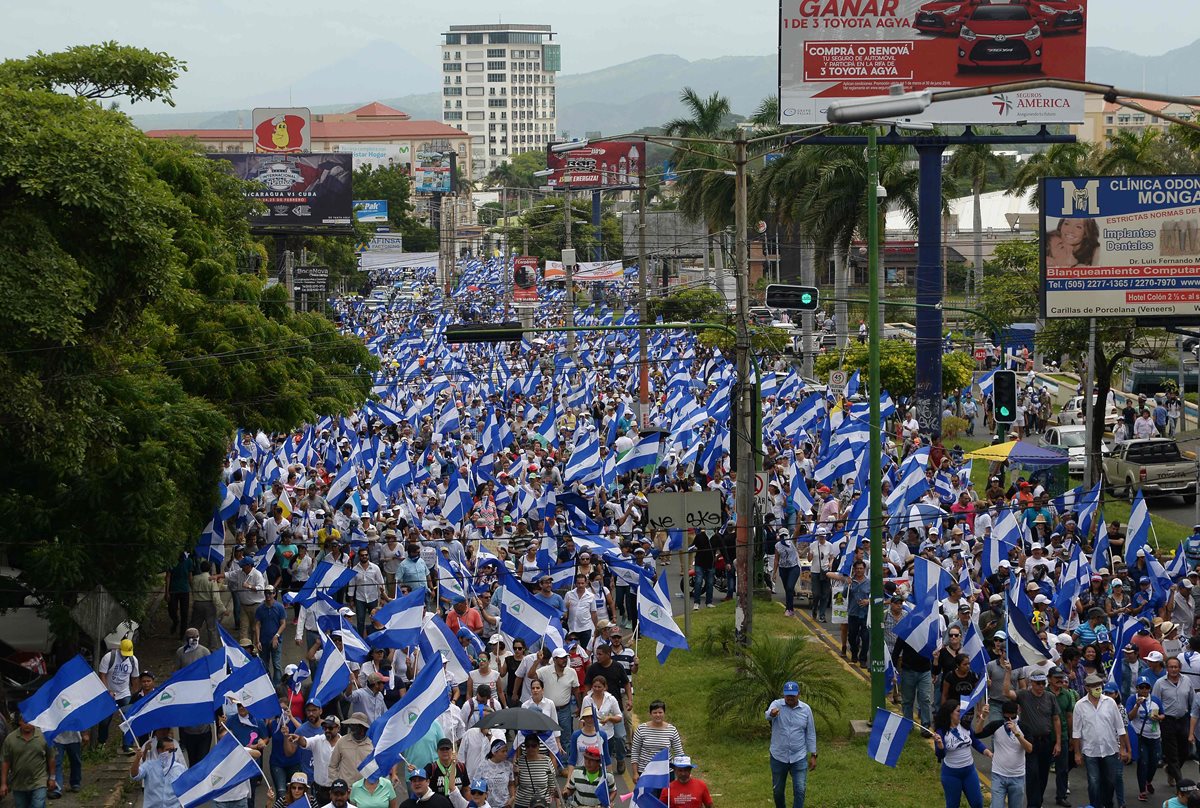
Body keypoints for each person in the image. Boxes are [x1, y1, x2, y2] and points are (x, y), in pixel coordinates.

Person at [1072, 672, 1130, 808]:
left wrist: (1122, 748)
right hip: (1090, 751)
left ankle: (1107, 803)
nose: (1097, 688)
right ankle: (1095, 805)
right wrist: (1077, 753)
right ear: (1087, 688)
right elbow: (1076, 732)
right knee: (1093, 781)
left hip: (1110, 749)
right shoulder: (1080, 705)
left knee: (1110, 781)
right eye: (1093, 686)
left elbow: (1120, 727)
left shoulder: (1110, 703)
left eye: (1099, 685)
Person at [766, 681, 816, 808]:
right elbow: (767, 715)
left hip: (798, 757)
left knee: (800, 789)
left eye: (793, 696)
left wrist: (813, 755)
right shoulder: (777, 704)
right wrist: (772, 714)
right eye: (787, 695)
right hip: (779, 756)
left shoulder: (806, 709)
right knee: (777, 791)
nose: (790, 698)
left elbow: (810, 733)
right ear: (784, 694)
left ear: (799, 694)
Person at [1015, 669, 1061, 808]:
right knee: (1032, 773)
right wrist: (1007, 673)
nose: (1041, 686)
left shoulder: (1050, 696)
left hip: (1046, 741)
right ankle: (1033, 805)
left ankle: (1037, 801)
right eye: (1038, 683)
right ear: (1031, 683)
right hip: (1030, 741)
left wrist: (1058, 742)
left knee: (1043, 774)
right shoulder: (1023, 695)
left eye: (1043, 683)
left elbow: (1056, 719)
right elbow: (1006, 693)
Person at [974, 700, 1032, 808]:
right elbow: (977, 734)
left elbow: (1029, 749)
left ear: (1018, 712)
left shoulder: (1024, 728)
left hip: (1017, 777)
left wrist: (1017, 734)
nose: (1009, 720)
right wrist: (983, 717)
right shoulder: (996, 725)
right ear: (1002, 714)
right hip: (998, 775)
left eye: (1012, 718)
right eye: (1006, 718)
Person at [932, 701, 991, 808]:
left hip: (969, 772)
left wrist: (988, 753)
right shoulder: (941, 732)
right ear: (950, 713)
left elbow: (975, 742)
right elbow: (940, 755)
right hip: (951, 774)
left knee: (977, 804)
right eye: (958, 711)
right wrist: (940, 744)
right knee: (953, 805)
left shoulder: (965, 726)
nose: (961, 713)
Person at [1, 712, 56, 808]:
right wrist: (3, 783)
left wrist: (52, 778)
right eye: (25, 722)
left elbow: (51, 758)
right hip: (19, 783)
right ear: (19, 722)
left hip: (39, 780)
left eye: (30, 722)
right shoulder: (10, 739)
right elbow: (5, 762)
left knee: (38, 805)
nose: (27, 725)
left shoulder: (44, 737)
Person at [97, 637, 139, 753]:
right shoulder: (109, 657)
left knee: (128, 719)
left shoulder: (133, 660)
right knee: (105, 721)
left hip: (124, 693)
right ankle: (101, 743)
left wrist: (135, 695)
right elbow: (102, 675)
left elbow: (135, 678)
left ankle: (127, 744)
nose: (126, 656)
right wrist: (107, 690)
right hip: (109, 694)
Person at [630, 700, 684, 787]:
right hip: (645, 772)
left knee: (664, 799)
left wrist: (682, 772)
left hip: (666, 773)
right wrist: (635, 773)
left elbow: (679, 753)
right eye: (655, 712)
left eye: (660, 712)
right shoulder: (641, 729)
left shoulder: (672, 730)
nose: (658, 715)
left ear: (664, 713)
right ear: (650, 714)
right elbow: (635, 752)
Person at [1127, 675, 1163, 801]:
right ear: (1137, 688)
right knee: (1143, 763)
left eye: (1146, 687)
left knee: (1154, 763)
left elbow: (1163, 715)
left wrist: (1158, 718)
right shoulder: (1132, 699)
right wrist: (1137, 706)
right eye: (1141, 687)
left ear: (1150, 688)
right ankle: (1142, 790)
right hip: (1140, 736)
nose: (1144, 690)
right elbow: (1129, 717)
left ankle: (1148, 781)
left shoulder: (1155, 700)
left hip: (1155, 736)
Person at [129, 735, 187, 808]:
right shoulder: (149, 766)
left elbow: (186, 789)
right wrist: (137, 759)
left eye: (173, 750)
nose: (171, 753)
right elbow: (134, 776)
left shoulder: (180, 768)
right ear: (160, 750)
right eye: (168, 750)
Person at [255, 585, 288, 686]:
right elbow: (257, 625)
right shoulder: (260, 608)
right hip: (264, 640)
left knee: (276, 664)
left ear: (274, 594)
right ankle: (268, 685)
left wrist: (276, 636)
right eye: (266, 593)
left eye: (270, 593)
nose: (268, 595)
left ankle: (277, 686)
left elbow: (283, 624)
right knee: (264, 664)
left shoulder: (279, 607)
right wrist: (257, 641)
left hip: (276, 641)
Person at [512, 735, 555, 808]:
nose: (530, 748)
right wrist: (516, 774)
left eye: (533, 746)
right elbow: (515, 784)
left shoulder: (547, 760)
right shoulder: (519, 761)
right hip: (522, 803)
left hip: (541, 803)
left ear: (538, 746)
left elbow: (552, 783)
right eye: (528, 746)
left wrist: (553, 799)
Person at [48, 726, 85, 798]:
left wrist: (85, 733)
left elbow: (81, 718)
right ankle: (57, 787)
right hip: (57, 737)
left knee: (75, 761)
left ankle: (75, 782)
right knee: (57, 763)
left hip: (74, 737)